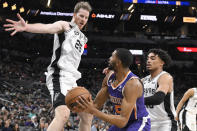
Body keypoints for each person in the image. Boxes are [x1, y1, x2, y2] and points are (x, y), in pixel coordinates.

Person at [4, 1, 93, 131]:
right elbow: (48, 28)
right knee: (63, 114)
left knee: (87, 115)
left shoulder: (83, 37)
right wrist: (27, 27)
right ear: (74, 15)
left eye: (86, 17)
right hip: (59, 75)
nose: (83, 19)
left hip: (72, 79)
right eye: (81, 16)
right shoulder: (65, 26)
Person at [77, 48, 151, 131]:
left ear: (118, 62)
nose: (109, 58)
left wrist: (93, 111)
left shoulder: (132, 84)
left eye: (112, 56)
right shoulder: (109, 78)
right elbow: (96, 105)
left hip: (137, 122)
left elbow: (122, 121)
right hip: (121, 123)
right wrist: (81, 104)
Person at [142, 49, 177, 131]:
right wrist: (114, 74)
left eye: (152, 58)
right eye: (148, 58)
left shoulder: (165, 77)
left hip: (165, 123)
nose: (148, 61)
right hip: (147, 122)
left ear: (162, 63)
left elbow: (158, 99)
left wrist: (136, 100)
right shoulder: (143, 80)